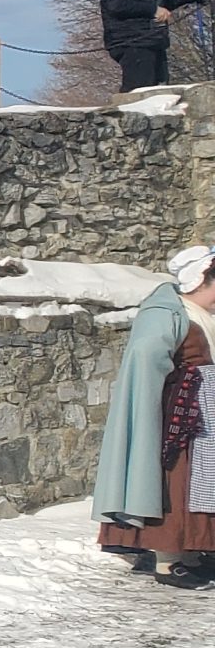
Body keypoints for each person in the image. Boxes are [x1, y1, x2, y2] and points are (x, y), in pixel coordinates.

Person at [97, 247, 215, 589]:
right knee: (174, 485)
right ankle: (167, 562)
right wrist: (181, 386)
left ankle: (192, 552)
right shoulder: (167, 312)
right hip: (175, 418)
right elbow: (147, 354)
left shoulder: (200, 313)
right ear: (205, 279)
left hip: (203, 418)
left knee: (201, 486)